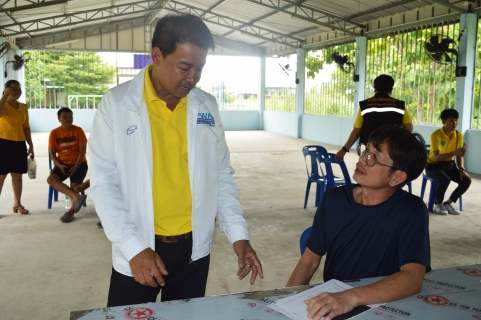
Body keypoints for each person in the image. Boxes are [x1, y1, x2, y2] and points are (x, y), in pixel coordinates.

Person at [89, 13, 263, 307]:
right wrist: (134, 249)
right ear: (156, 55)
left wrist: (238, 236)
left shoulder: (206, 105)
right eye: (184, 67)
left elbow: (221, 174)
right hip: (140, 245)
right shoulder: (117, 105)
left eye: (200, 68)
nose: (193, 77)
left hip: (194, 249)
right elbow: (103, 182)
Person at [287, 125, 430, 320]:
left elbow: (413, 278)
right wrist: (284, 302)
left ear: (397, 177)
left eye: (373, 157)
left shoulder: (410, 211)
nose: (362, 159)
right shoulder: (334, 200)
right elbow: (310, 260)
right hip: (334, 303)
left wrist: (351, 297)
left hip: (383, 305)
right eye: (365, 150)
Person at [336, 74, 413, 162]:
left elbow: (357, 131)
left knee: (367, 172)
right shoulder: (400, 106)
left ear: (375, 88)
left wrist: (344, 149)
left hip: (369, 151)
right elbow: (408, 128)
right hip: (392, 151)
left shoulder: (365, 105)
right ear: (391, 90)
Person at [426, 109, 471, 215]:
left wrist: (461, 169)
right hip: (433, 166)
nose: (454, 123)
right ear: (443, 121)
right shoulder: (435, 135)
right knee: (444, 179)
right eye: (451, 120)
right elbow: (437, 157)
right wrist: (454, 152)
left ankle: (448, 203)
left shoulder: (459, 135)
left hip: (450, 165)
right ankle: (438, 203)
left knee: (466, 180)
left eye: (456, 120)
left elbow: (459, 156)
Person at [47, 107, 88, 223]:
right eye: (65, 117)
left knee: (74, 186)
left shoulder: (78, 130)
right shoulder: (54, 133)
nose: (68, 119)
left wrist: (75, 167)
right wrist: (59, 166)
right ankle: (77, 197)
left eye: (70, 116)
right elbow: (52, 153)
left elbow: (82, 152)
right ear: (59, 119)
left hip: (79, 164)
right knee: (51, 179)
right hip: (62, 164)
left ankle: (71, 211)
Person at [0, 80, 34, 214]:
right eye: (13, 89)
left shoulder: (23, 107)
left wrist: (30, 145)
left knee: (17, 176)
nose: (17, 92)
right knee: (1, 176)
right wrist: (5, 95)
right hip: (2, 143)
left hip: (19, 144)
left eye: (19, 89)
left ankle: (17, 204)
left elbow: (26, 127)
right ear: (6, 89)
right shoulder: (3, 104)